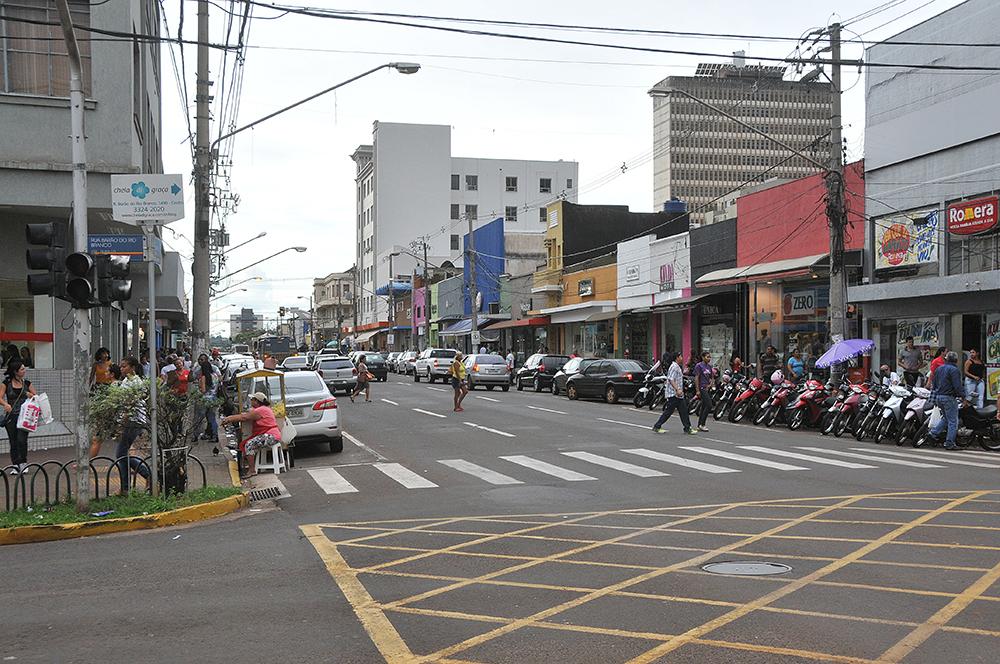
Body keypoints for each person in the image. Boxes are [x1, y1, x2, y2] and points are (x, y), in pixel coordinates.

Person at [221, 392, 281, 477]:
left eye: (252, 400)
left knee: (249, 445)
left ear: (257, 401)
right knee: (249, 443)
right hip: (272, 435)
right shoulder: (263, 409)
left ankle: (252, 470)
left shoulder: (261, 410)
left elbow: (244, 417)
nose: (251, 401)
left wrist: (229, 418)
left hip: (271, 435)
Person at [115, 356, 151, 493]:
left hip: (133, 421)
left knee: (121, 454)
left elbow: (130, 405)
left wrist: (122, 422)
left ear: (132, 367)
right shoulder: (126, 380)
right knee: (122, 454)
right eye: (121, 366)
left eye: (124, 366)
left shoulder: (135, 382)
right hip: (129, 421)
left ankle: (148, 474)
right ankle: (125, 488)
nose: (121, 368)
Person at [1, 359, 37, 474]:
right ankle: (15, 465)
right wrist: (5, 404)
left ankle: (23, 463)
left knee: (22, 440)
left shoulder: (27, 383)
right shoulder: (6, 383)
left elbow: (37, 398)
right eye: (22, 369)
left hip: (25, 417)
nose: (24, 370)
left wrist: (30, 395)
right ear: (15, 371)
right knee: (13, 441)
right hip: (12, 416)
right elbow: (0, 397)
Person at [652, 351, 697, 435]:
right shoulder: (674, 367)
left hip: (678, 395)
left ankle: (687, 428)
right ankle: (657, 426)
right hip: (674, 394)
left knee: (683, 411)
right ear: (677, 358)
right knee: (668, 412)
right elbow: (671, 379)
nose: (682, 358)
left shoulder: (676, 366)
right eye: (680, 356)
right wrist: (677, 389)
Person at [929, 351, 963, 450]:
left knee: (946, 418)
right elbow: (957, 386)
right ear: (956, 360)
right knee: (953, 421)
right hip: (949, 397)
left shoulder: (939, 369)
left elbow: (934, 383)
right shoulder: (954, 370)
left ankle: (933, 433)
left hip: (939, 396)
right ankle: (949, 443)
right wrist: (963, 396)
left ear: (946, 359)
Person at [89, 347, 115, 458]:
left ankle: (109, 428)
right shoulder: (95, 365)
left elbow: (114, 374)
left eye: (106, 353)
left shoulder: (110, 363)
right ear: (99, 355)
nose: (105, 355)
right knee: (99, 408)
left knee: (109, 408)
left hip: (108, 387)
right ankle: (100, 427)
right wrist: (87, 388)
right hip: (98, 387)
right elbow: (91, 377)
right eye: (103, 353)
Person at [192, 354, 221, 442]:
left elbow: (203, 390)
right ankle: (215, 436)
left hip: (204, 400)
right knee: (212, 418)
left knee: (198, 418)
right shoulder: (215, 375)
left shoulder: (204, 377)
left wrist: (200, 387)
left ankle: (195, 435)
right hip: (214, 399)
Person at [693, 351, 715, 432]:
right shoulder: (699, 366)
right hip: (702, 388)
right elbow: (696, 378)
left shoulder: (709, 366)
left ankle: (699, 425)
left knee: (703, 406)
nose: (709, 358)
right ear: (703, 357)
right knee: (709, 405)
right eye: (707, 357)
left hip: (707, 388)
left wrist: (711, 384)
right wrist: (697, 390)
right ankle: (703, 424)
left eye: (710, 357)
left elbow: (712, 377)